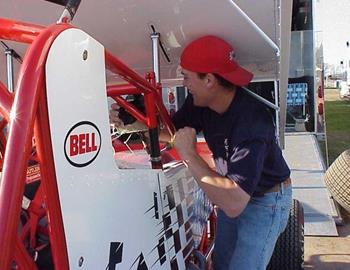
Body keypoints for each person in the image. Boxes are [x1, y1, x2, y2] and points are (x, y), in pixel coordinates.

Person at [111, 35, 292, 270]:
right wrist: (136, 120)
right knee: (222, 264)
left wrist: (189, 155)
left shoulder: (252, 123)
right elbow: (171, 131)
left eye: (186, 77)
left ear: (208, 80)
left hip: (265, 199)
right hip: (233, 189)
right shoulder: (202, 103)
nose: (184, 83)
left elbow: (235, 202)